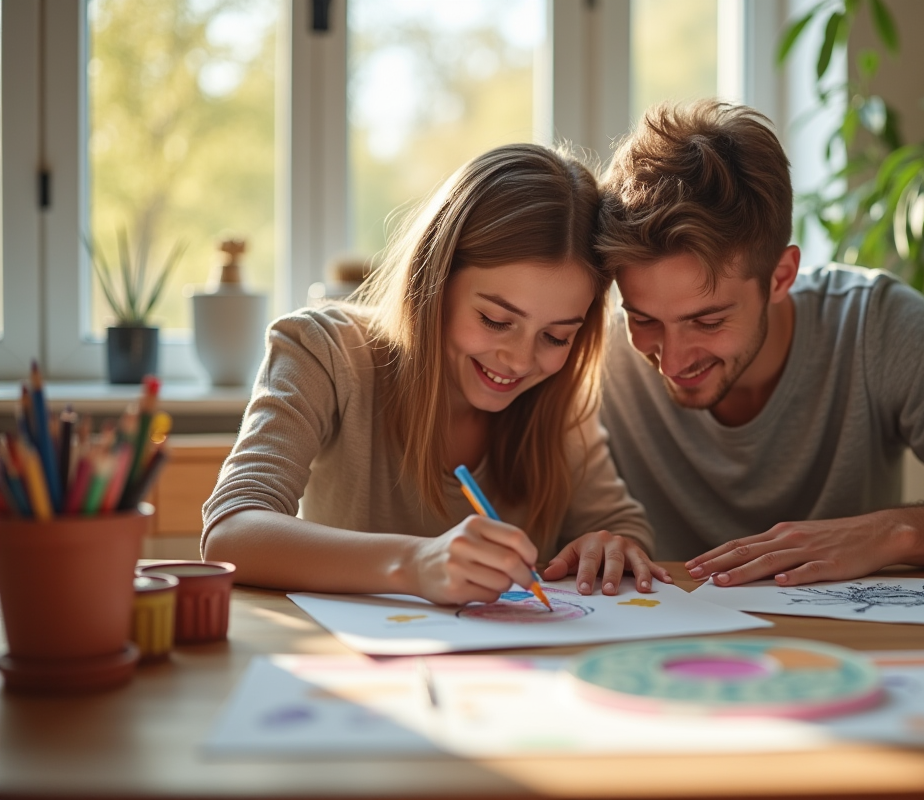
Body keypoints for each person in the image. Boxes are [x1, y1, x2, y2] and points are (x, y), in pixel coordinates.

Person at [589, 100, 924, 588]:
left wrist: (893, 533)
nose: (674, 359)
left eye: (707, 321)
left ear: (780, 277)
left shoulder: (872, 327)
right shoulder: (597, 357)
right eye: (645, 319)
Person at [202, 144, 669, 604]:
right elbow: (231, 531)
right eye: (495, 320)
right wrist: (414, 563)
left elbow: (624, 529)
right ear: (433, 282)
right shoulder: (323, 352)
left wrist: (610, 546)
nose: (521, 361)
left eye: (556, 337)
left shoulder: (557, 397)